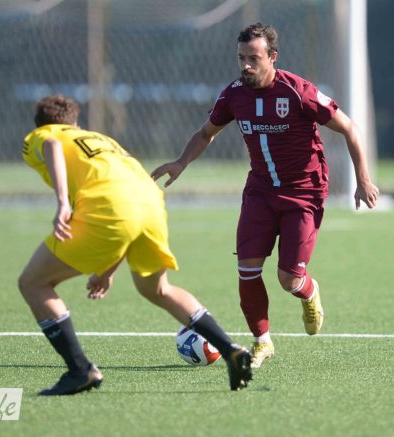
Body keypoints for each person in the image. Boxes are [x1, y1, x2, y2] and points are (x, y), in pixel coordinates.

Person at [152, 23, 379, 368]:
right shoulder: (233, 95)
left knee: (289, 279)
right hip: (259, 191)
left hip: (303, 193)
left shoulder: (297, 91)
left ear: (272, 57)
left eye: (253, 58)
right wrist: (181, 161)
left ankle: (309, 291)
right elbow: (206, 133)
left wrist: (363, 179)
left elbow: (349, 128)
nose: (245, 65)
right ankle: (262, 341)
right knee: (247, 269)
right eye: (241, 58)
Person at [19, 95, 252, 395]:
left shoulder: (44, 135)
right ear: (76, 124)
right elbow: (125, 208)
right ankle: (230, 349)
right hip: (150, 203)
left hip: (111, 207)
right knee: (157, 289)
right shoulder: (100, 140)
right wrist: (107, 271)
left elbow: (51, 145)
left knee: (33, 283)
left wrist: (63, 202)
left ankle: (80, 370)